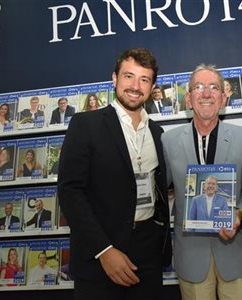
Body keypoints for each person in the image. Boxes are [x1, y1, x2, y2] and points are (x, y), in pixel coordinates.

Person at [58, 48, 171, 300]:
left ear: (152, 87)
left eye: (144, 79)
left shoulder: (157, 133)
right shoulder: (85, 125)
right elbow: (70, 192)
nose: (135, 86)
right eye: (128, 76)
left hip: (148, 252)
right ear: (114, 79)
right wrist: (104, 250)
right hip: (100, 254)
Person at [162, 64, 242, 300]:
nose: (206, 93)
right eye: (199, 87)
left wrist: (240, 217)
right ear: (189, 99)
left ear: (223, 99)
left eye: (214, 87)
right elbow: (161, 192)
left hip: (234, 252)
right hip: (191, 257)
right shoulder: (168, 141)